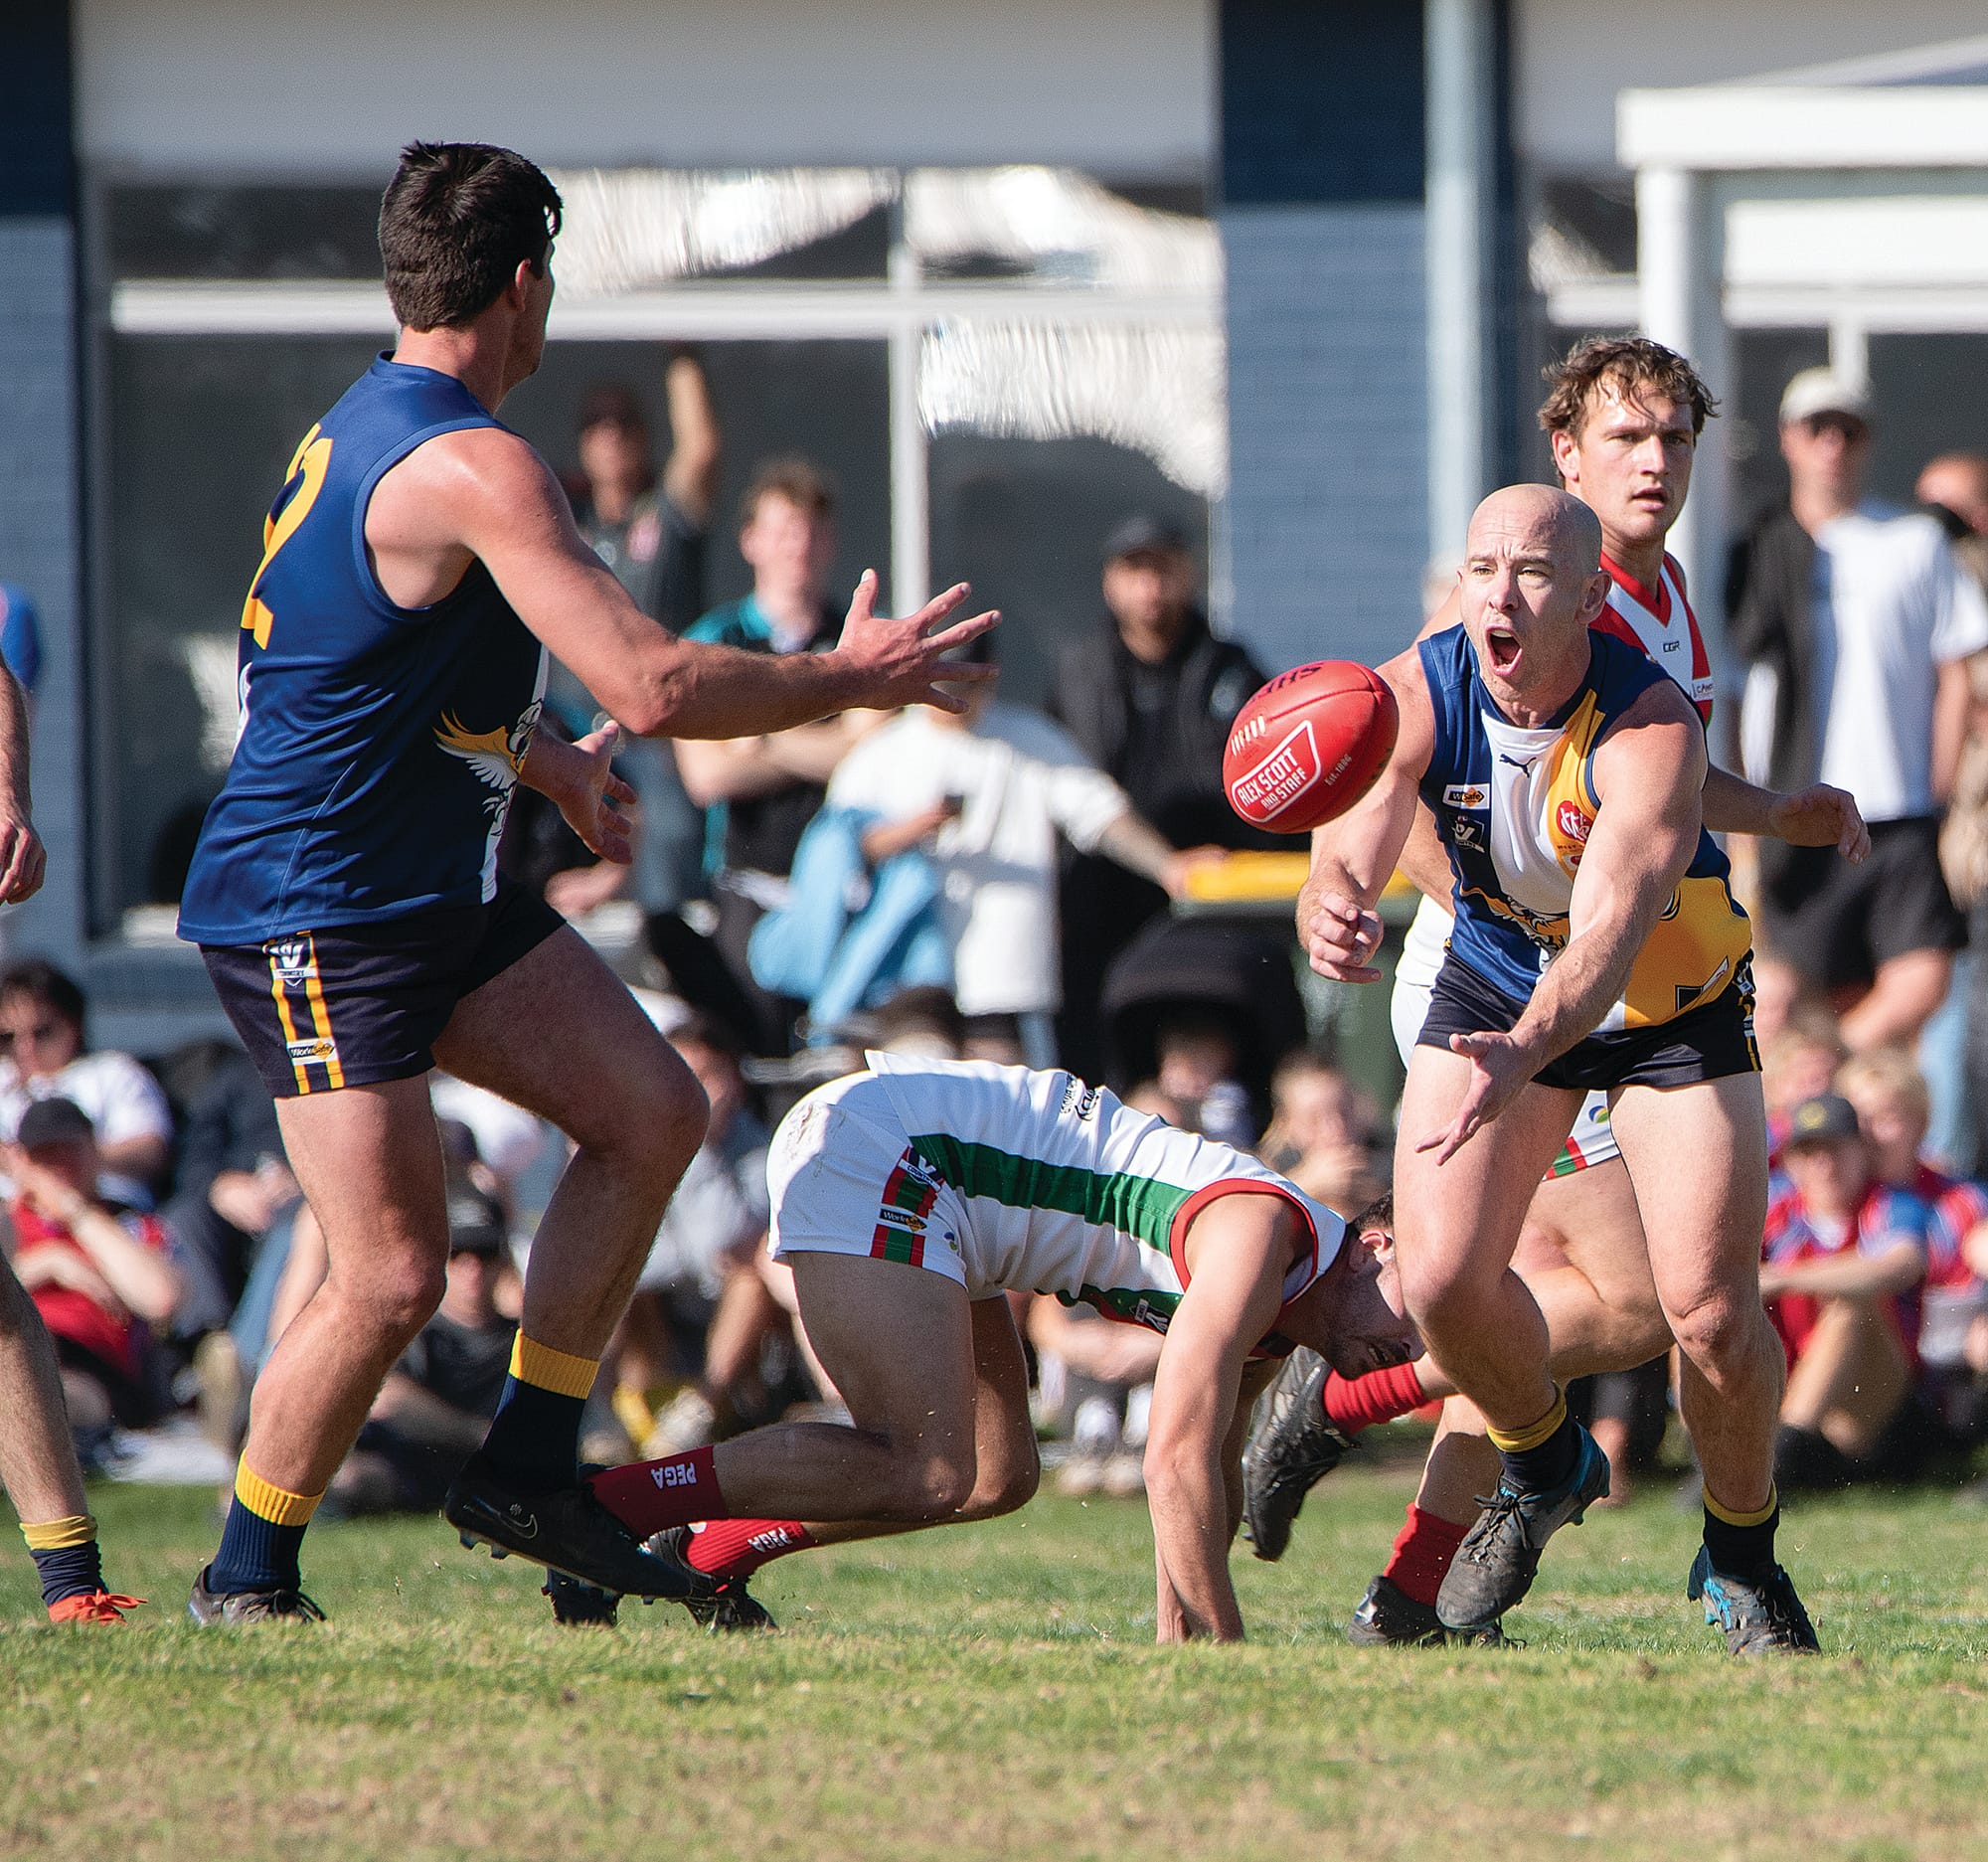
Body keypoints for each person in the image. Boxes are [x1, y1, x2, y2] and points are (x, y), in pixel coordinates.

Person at [170, 140, 995, 1623]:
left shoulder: (372, 420)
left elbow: (370, 665)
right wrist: (847, 676)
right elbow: (660, 680)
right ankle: (248, 1573)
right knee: (393, 1273)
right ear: (526, 286)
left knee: (651, 1109)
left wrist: (546, 762)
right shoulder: (478, 462)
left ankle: (531, 1467)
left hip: (423, 893)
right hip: (314, 908)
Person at [1249, 338, 1862, 1647]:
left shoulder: (1655, 618)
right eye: (1628, 439)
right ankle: (1477, 1500)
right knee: (1497, 1286)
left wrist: (1781, 812)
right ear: (1565, 459)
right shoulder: (1498, 609)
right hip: (1499, 964)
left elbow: (1656, 809)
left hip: (1637, 990)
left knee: (1674, 1304)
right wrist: (1338, 887)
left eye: (1677, 441)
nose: (1657, 462)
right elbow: (1368, 762)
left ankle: (1696, 1550)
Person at [568, 1054, 1413, 1639]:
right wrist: (1227, 1658)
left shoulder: (1286, 1292)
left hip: (948, 1193)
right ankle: (607, 1506)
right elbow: (1175, 1461)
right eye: (1421, 1317)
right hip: (889, 1147)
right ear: (1378, 1247)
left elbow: (1209, 1474)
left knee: (994, 1474)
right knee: (922, 1463)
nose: (1414, 1350)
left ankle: (702, 1550)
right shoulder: (1260, 1230)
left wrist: (1183, 1640)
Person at [1732, 370, 1988, 1052]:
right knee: (1795, 990)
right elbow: (1727, 686)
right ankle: (1821, 1112)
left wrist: (1935, 789)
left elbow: (1958, 667)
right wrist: (1737, 814)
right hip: (1791, 811)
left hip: (1896, 808)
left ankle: (1839, 1077)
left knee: (1924, 977)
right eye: (1818, 429)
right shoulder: (1757, 549)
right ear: (1789, 439)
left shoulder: (1912, 541)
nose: (1832, 446)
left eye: (1848, 430)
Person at [822, 652, 1215, 1068]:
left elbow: (1098, 811)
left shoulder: (1027, 738)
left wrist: (1167, 865)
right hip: (903, 977)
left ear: (990, 678)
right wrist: (913, 828)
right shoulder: (881, 754)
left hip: (1003, 976)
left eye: (967, 685)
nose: (955, 702)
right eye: (944, 685)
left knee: (1007, 1111)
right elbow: (836, 857)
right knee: (918, 1097)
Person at [1047, 515, 1269, 1077]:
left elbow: (1265, 780)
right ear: (1109, 583)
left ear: (1189, 575)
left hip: (1208, 900)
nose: (1151, 588)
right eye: (1135, 571)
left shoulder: (1230, 670)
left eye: (1163, 570)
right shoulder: (1080, 673)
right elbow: (1061, 788)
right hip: (1096, 904)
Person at [675, 458, 870, 1055]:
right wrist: (825, 740)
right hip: (745, 887)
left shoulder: (858, 637)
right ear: (750, 541)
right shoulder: (713, 640)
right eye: (784, 530)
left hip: (849, 886)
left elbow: (866, 757)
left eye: (811, 531)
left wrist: (762, 734)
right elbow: (708, 776)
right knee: (752, 1056)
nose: (799, 547)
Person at [1761, 1095, 1930, 1489]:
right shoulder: (1773, 1210)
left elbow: (1898, 1266)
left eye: (1836, 1148)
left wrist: (1781, 1278)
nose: (1825, 1164)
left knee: (1854, 1305)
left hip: (1871, 1404)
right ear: (1792, 1161)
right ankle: (1703, 1449)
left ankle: (1782, 1453)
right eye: (1810, 1151)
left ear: (1860, 1151)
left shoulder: (1890, 1203)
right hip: (1784, 1377)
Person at [324, 1181, 519, 1516]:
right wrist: (480, 1434)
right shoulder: (414, 1333)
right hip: (409, 1466)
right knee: (345, 1479)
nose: (472, 1270)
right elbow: (387, 1400)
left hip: (491, 1479)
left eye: (484, 1254)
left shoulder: (521, 1341)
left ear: (502, 1260)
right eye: (458, 1254)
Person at [6, 1098, 184, 1437]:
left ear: (94, 1150)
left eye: (71, 1151)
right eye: (46, 1155)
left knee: (45, 1372)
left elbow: (161, 1299)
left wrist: (76, 1213)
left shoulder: (126, 1224)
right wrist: (49, 1263)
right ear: (23, 1161)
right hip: (22, 1349)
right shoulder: (10, 1224)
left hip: (95, 1374)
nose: (61, 1166)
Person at [0, 958, 175, 1207]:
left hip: (105, 1212)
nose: (24, 1047)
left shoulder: (112, 1073)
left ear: (74, 1026)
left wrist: (71, 1160)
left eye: (41, 1032)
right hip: (13, 1217)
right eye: (7, 1037)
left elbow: (151, 1152)